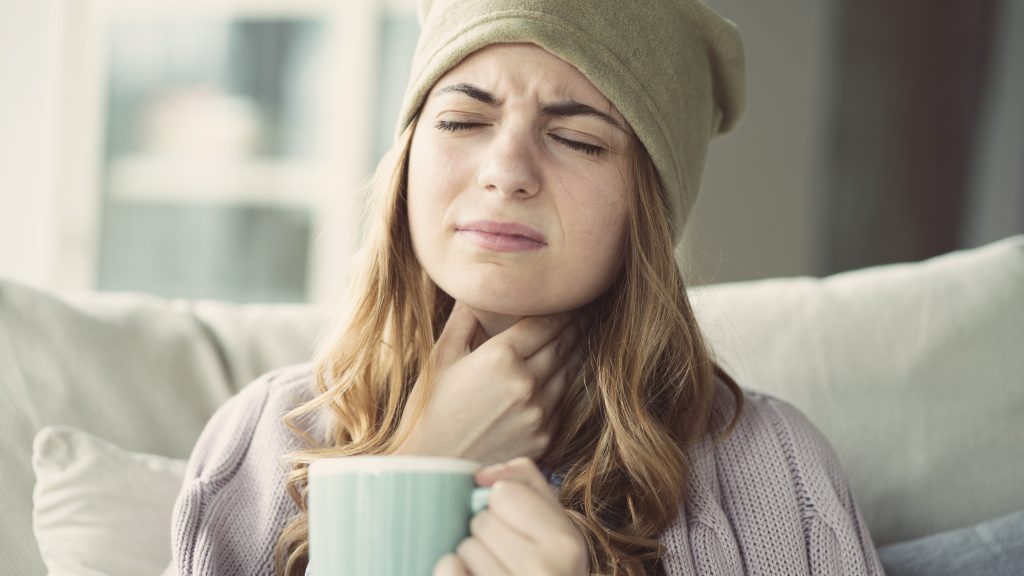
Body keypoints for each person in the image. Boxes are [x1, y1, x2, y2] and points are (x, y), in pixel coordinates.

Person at [166, 1, 885, 575]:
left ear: (651, 209)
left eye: (577, 139)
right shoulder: (263, 439)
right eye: (461, 120)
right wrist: (418, 469)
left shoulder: (777, 469)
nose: (505, 169)